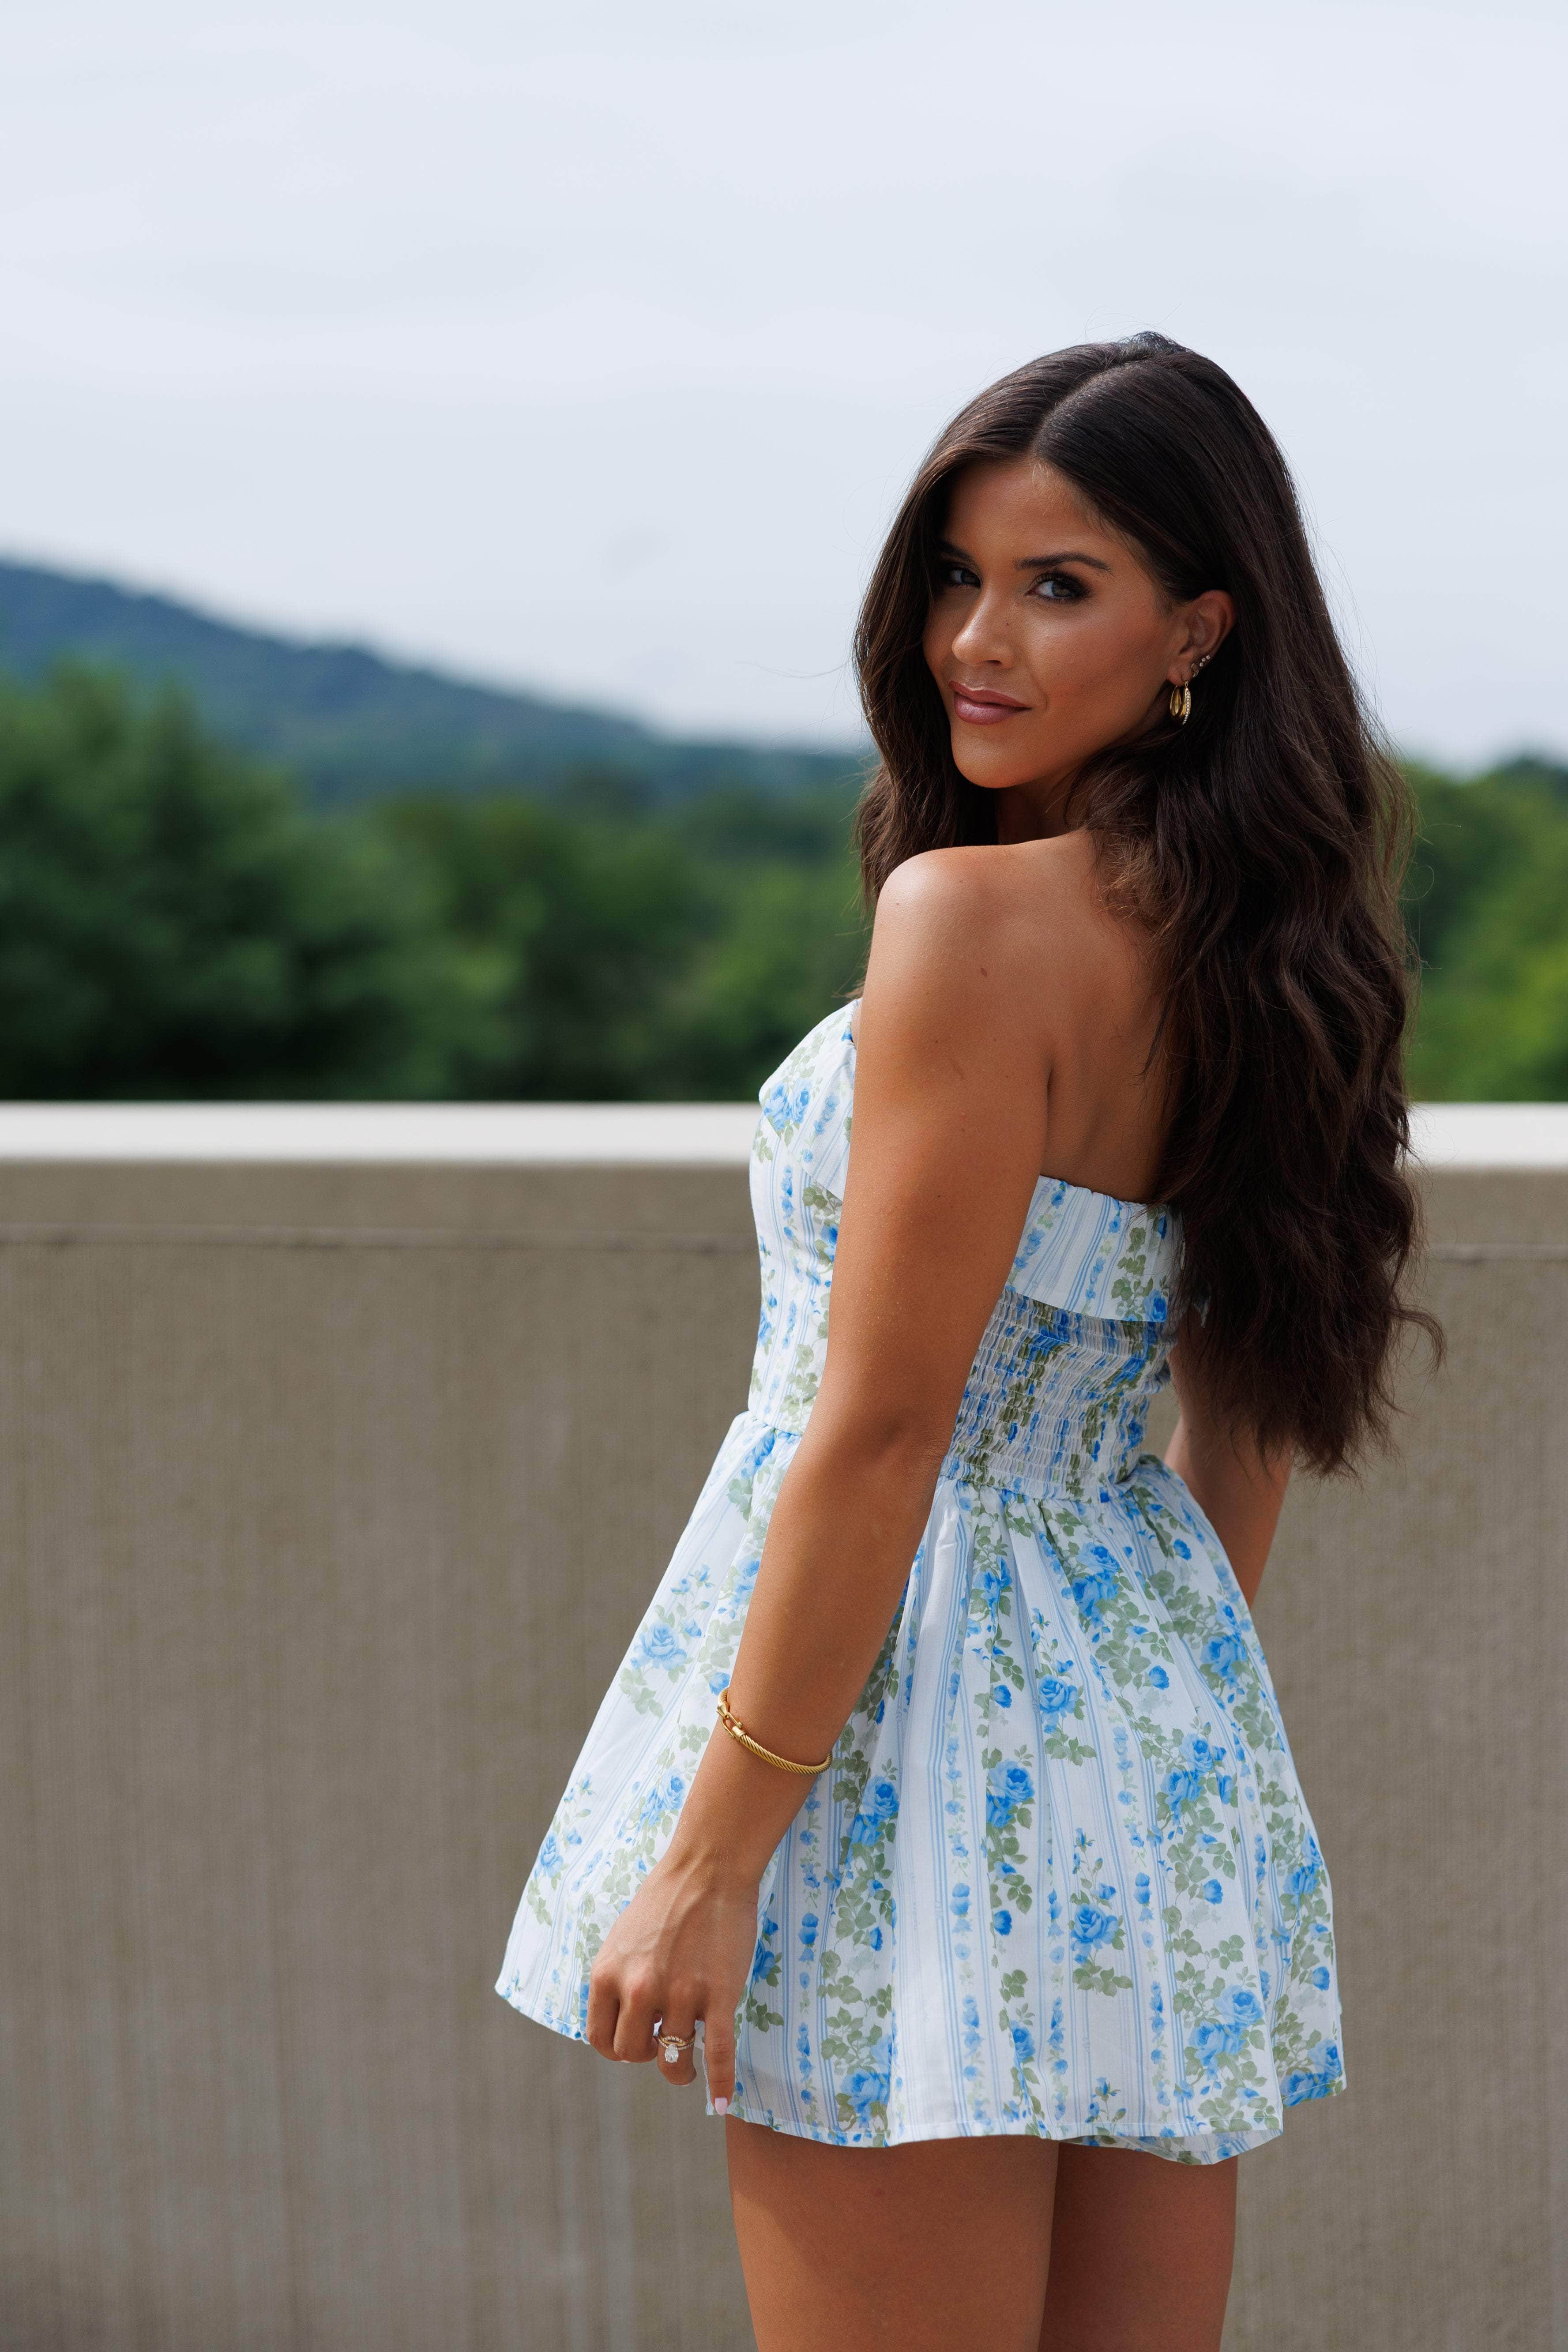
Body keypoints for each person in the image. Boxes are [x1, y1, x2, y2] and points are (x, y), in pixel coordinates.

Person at [496, 333, 1433, 2351]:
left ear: (1198, 629)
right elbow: (1244, 1425)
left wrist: (713, 1857)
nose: (972, 641)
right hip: (1151, 1733)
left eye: (1055, 585)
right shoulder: (1276, 956)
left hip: (894, 1740)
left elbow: (881, 1427)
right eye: (954, 575)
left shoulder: (968, 922)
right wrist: (1136, 1734)